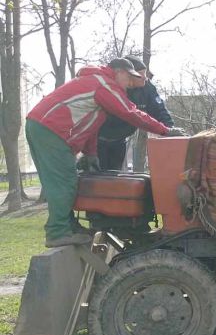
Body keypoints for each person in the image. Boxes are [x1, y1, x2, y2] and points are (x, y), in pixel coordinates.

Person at [25, 57, 181, 247]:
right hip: (51, 130)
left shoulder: (97, 84)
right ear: (120, 72)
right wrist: (165, 130)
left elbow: (92, 127)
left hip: (43, 127)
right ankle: (57, 232)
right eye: (129, 79)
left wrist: (91, 153)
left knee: (66, 180)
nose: (130, 85)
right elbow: (130, 113)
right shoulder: (105, 85)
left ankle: (69, 226)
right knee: (64, 181)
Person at [97, 54, 178, 170]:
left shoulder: (148, 89)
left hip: (120, 140)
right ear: (129, 76)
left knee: (114, 176)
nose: (145, 78)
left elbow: (159, 111)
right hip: (98, 139)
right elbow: (131, 113)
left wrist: (170, 131)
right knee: (96, 176)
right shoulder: (112, 89)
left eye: (146, 74)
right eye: (141, 75)